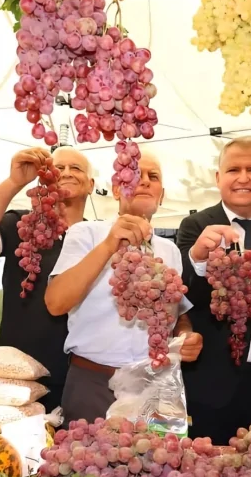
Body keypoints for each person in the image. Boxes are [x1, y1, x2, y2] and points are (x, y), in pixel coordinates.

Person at [44, 151, 203, 423]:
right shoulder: (86, 234)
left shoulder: (171, 250)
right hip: (92, 383)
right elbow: (56, 303)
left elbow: (178, 315)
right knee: (84, 463)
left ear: (161, 195)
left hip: (154, 384)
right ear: (117, 189)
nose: (144, 182)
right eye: (135, 175)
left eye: (153, 177)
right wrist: (108, 245)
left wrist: (186, 335)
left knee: (158, 463)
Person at [176, 136, 251, 445]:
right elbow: (183, 292)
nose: (243, 178)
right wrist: (199, 259)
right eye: (233, 170)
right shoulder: (196, 225)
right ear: (218, 178)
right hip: (211, 381)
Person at [0, 146, 92, 413]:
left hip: (82, 375)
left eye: (76, 168)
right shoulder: (24, 226)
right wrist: (15, 182)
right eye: (59, 167)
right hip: (20, 374)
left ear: (91, 185)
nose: (66, 172)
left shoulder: (98, 238)